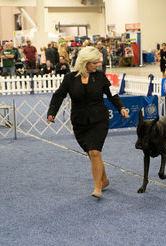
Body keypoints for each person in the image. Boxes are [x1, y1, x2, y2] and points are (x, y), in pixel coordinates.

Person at [46, 46, 129, 199]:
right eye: (94, 63)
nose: (97, 65)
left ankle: (97, 188)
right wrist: (52, 112)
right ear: (85, 62)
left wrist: (121, 108)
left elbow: (112, 95)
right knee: (92, 153)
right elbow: (59, 95)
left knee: (95, 152)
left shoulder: (101, 77)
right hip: (79, 122)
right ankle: (103, 180)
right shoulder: (70, 78)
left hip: (99, 120)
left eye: (98, 63)